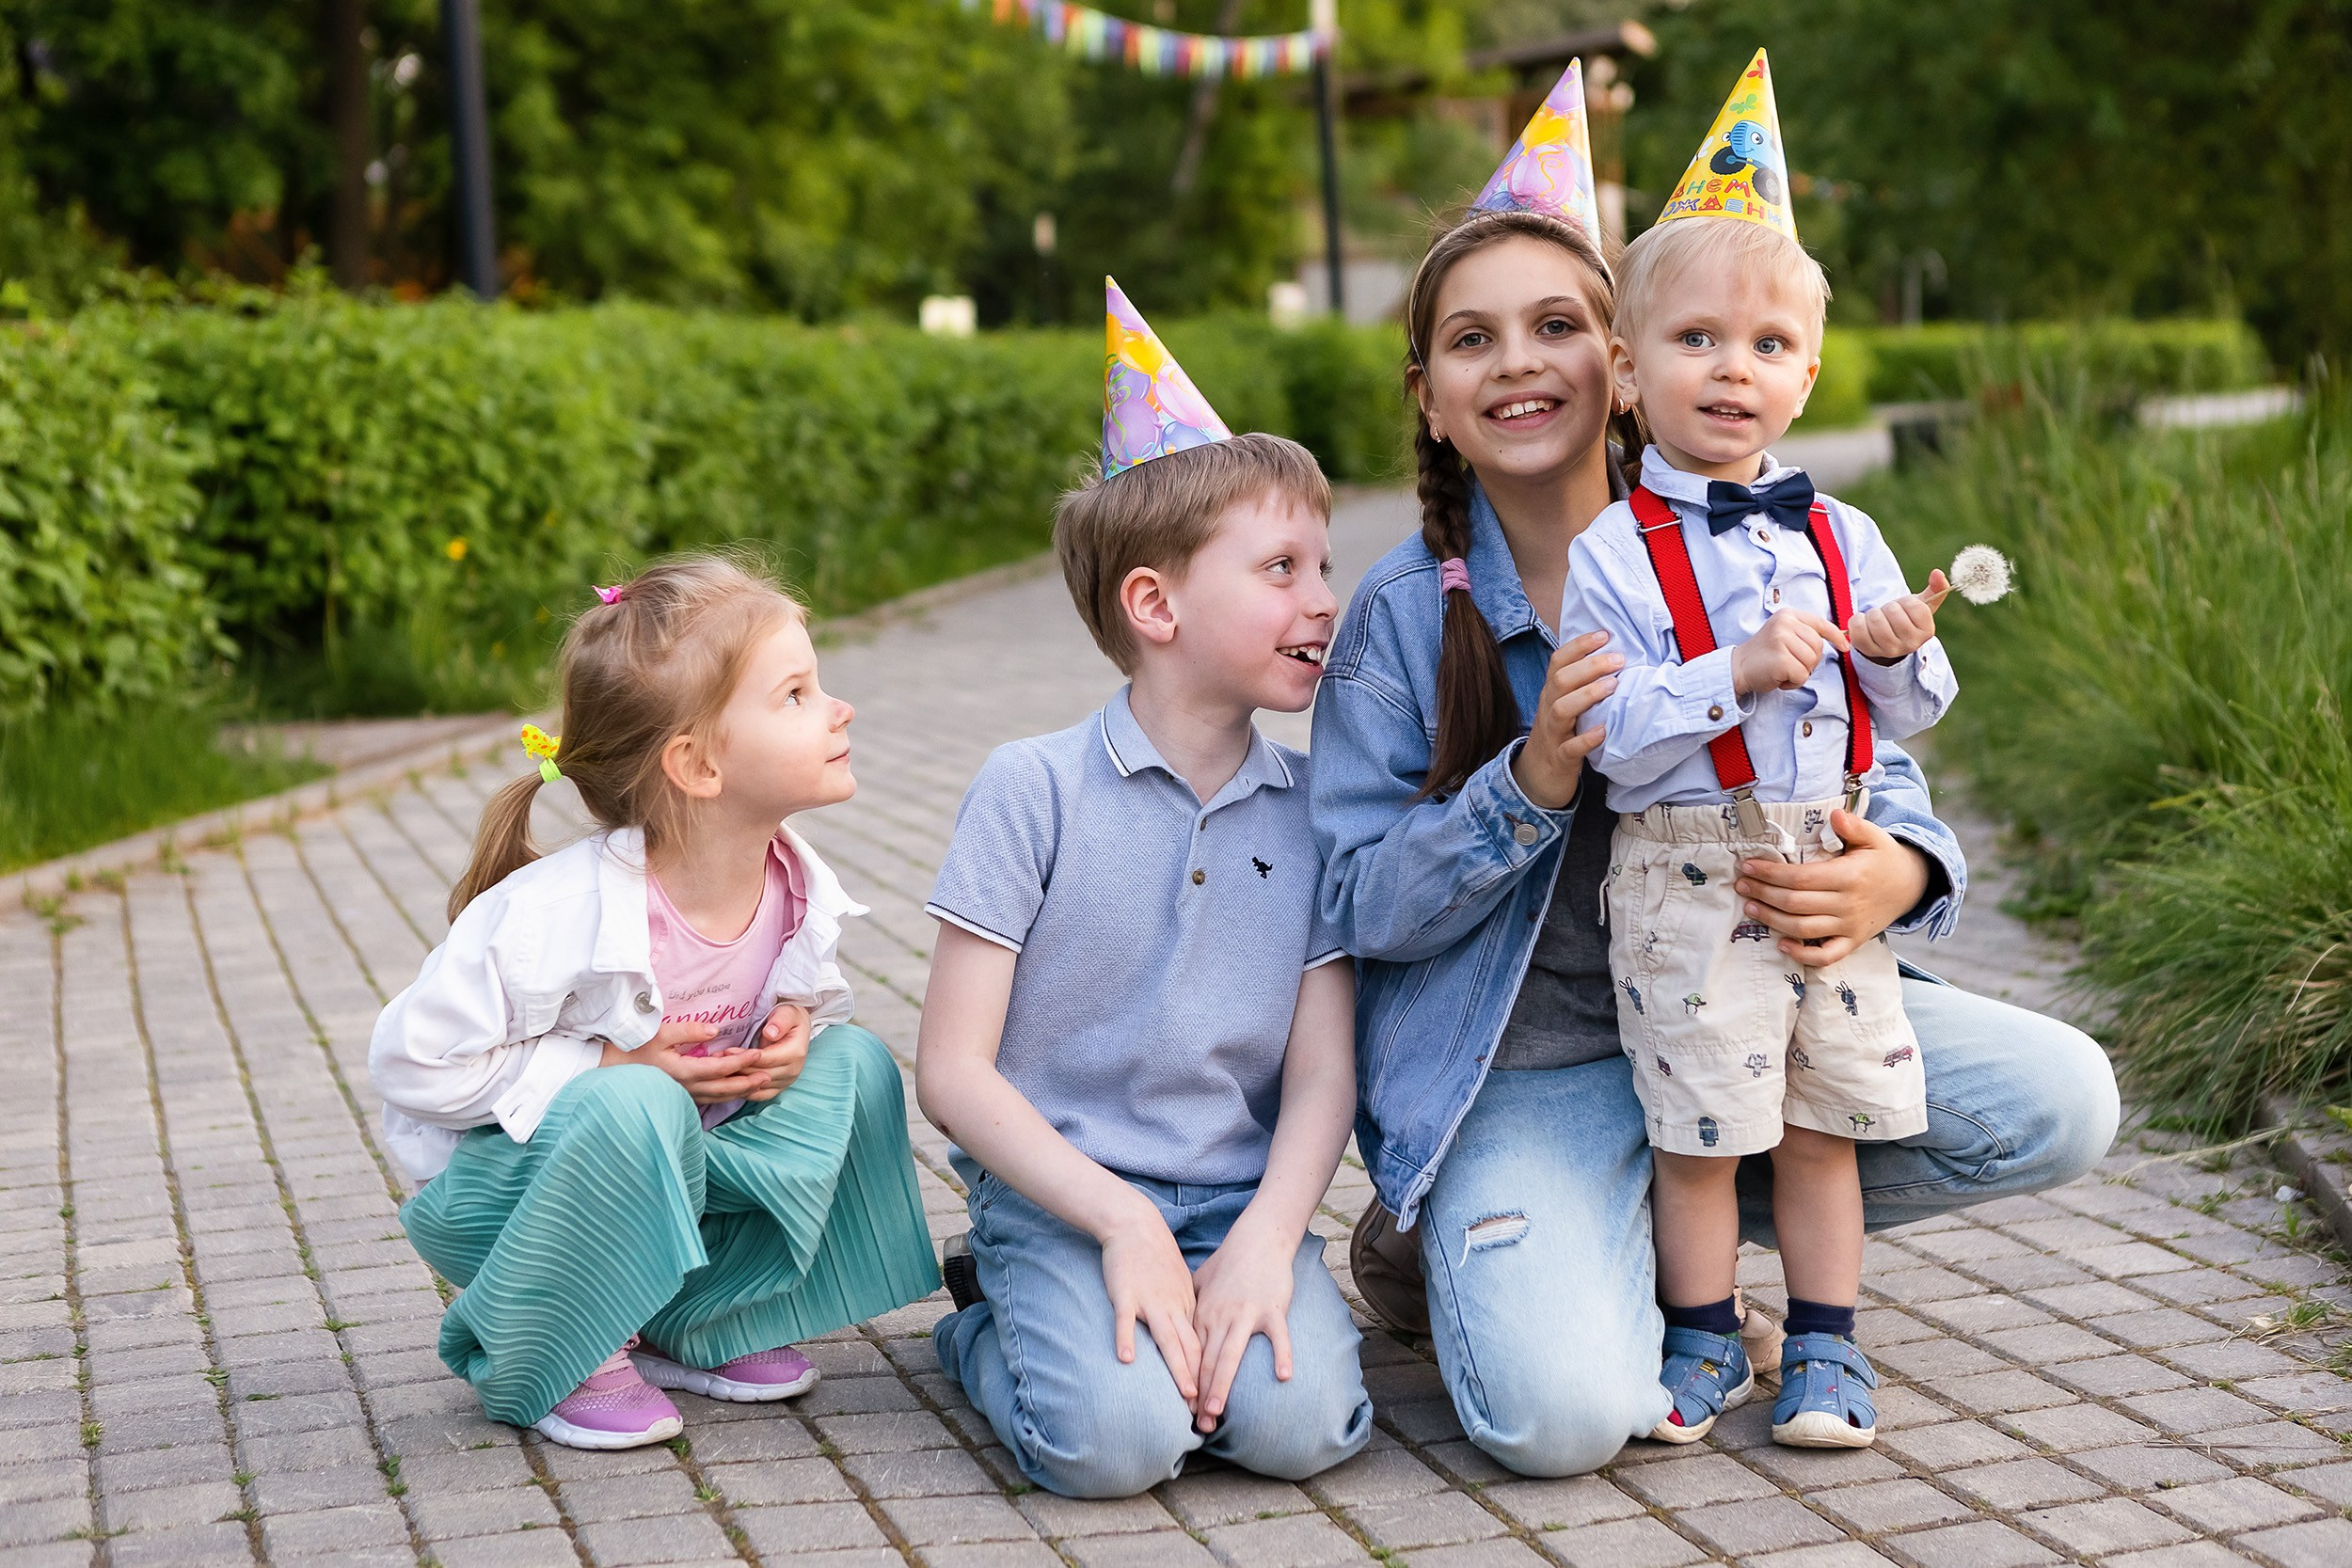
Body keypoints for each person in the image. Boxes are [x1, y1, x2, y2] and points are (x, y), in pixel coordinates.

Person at [1308, 58, 2119, 1478]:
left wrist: (1902, 868)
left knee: (2061, 1096)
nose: (1521, 364)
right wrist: (1533, 778)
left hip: (1757, 991)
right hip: (1543, 1062)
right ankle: (1471, 1233)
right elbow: (1358, 901)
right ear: (1430, 395)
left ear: (1619, 354)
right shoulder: (1401, 614)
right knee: (1556, 1421)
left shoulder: (1748, 533)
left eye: (1558, 323)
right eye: (1471, 340)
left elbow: (1862, 734)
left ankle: (1712, 1254)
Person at [1559, 51, 1958, 1449]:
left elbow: (1911, 717)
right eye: (1698, 341)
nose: (1736, 368)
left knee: (1823, 1121)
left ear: (1810, 375)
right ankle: (1704, 1336)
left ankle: (1832, 1348)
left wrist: (1899, 644)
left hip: (1829, 847)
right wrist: (1729, 671)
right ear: (1626, 369)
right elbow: (1608, 742)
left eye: (1770, 346)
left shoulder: (1847, 534)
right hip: (1684, 873)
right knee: (1700, 1124)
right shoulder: (1608, 553)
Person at [915, 279, 1372, 1497]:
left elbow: (1324, 1068)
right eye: (1281, 566)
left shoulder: (1320, 805)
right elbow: (954, 1070)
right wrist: (1119, 1221)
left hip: (1235, 1195)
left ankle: (1168, 1319)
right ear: (1155, 603)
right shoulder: (1031, 789)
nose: (1323, 596)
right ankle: (985, 1318)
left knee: (1302, 1428)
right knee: (1116, 1448)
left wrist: (1271, 1236)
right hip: (1065, 1196)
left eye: (1322, 564)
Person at [370, 556, 939, 1450]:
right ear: (698, 764)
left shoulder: (791, 880)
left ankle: (704, 1318)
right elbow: (408, 1061)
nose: (838, 708)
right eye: (795, 694)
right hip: (513, 1202)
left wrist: (797, 1031)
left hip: (675, 1167)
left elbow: (784, 1000)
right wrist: (605, 1065)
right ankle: (564, 1349)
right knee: (637, 1099)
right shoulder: (554, 913)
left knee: (853, 1063)